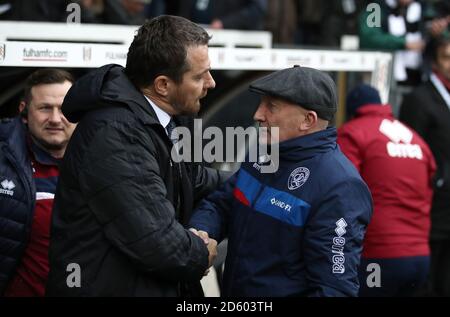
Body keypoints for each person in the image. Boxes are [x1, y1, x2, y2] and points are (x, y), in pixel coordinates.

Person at [46, 15, 222, 297]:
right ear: (162, 85)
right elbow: (160, 244)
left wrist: (251, 181)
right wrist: (202, 252)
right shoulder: (114, 133)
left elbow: (195, 179)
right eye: (200, 76)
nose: (211, 83)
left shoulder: (171, 118)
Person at [189, 65, 373, 297]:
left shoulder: (339, 186)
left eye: (271, 107)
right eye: (261, 104)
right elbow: (220, 204)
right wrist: (201, 235)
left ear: (307, 120)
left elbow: (334, 289)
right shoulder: (264, 156)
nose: (258, 114)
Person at [338, 84, 436, 297]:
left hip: (379, 257)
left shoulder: (353, 133)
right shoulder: (417, 140)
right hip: (420, 258)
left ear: (352, 111)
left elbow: (342, 191)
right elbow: (430, 190)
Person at [0, 69, 75, 296]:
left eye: (64, 109)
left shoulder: (102, 161)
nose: (55, 118)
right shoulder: (5, 162)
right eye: (44, 108)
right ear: (24, 111)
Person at [399, 35, 450, 296]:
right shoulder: (419, 99)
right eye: (447, 57)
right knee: (428, 277)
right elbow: (409, 154)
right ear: (434, 62)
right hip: (431, 203)